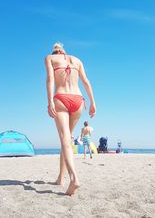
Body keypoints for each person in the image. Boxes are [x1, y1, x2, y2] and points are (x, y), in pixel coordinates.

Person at [45, 43, 96, 196]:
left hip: (61, 98)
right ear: (64, 51)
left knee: (65, 141)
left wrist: (50, 102)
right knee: (66, 141)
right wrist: (93, 102)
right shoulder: (77, 60)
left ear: (54, 51)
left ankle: (74, 178)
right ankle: (60, 178)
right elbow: (86, 81)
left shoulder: (50, 58)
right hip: (78, 100)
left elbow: (50, 79)